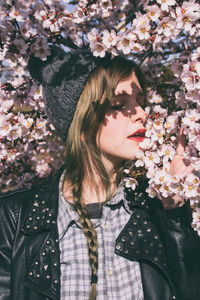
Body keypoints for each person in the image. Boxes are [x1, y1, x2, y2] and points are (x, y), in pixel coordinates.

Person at [0, 46, 199, 300]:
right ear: (83, 121)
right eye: (120, 104)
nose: (142, 114)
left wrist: (175, 210)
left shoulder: (156, 208)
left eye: (140, 101)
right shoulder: (13, 219)